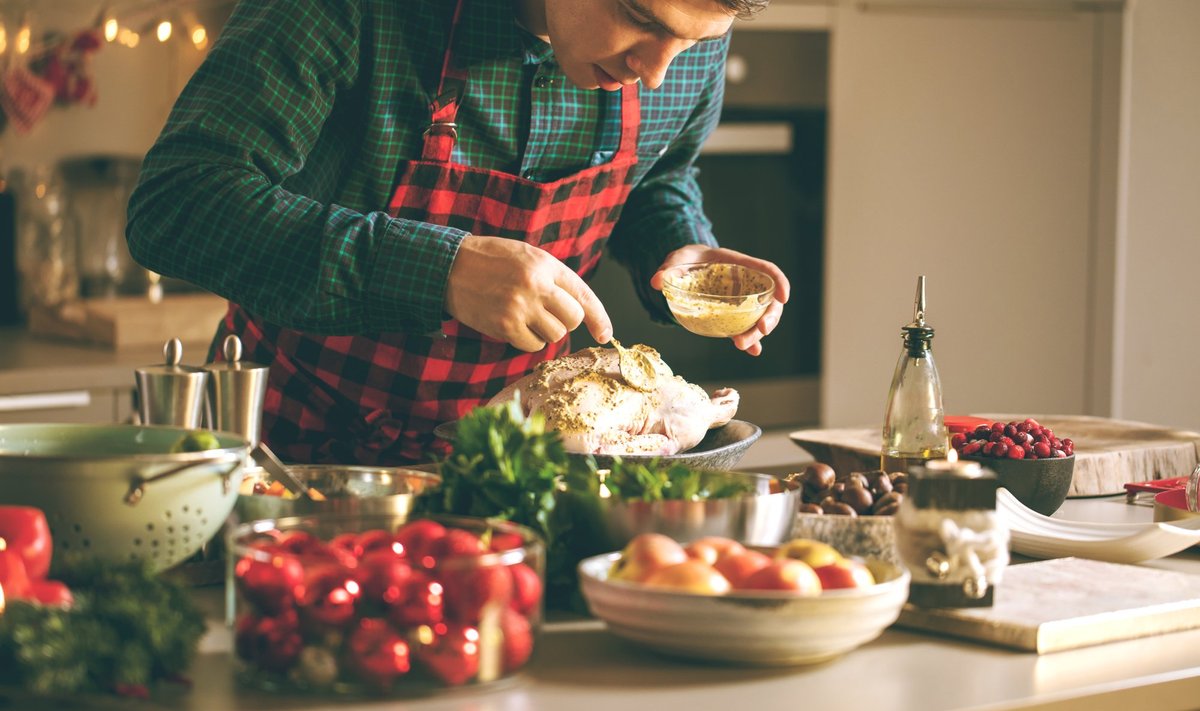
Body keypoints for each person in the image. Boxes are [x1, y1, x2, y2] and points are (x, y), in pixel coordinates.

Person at [126, 0, 790, 466]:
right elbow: (176, 202)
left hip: (510, 471)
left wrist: (677, 243)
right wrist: (440, 270)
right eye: (640, 18)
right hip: (287, 451)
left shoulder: (676, 45)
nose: (657, 70)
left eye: (695, 42)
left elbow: (658, 178)